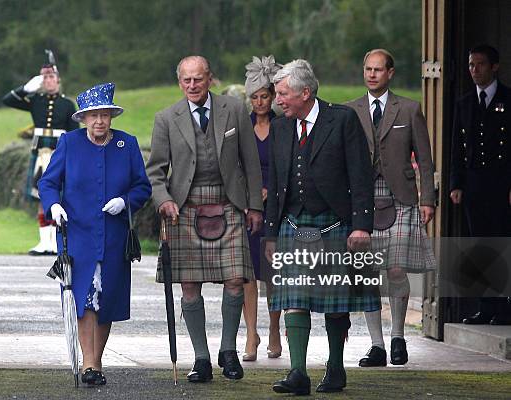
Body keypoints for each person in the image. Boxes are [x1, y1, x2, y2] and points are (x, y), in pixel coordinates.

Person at [265, 59, 380, 395]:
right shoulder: (281, 126)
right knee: (295, 297)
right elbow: (275, 184)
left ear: (305, 91)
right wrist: (271, 234)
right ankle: (297, 373)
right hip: (293, 224)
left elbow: (361, 175)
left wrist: (362, 226)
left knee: (334, 301)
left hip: (336, 223)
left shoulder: (342, 119)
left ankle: (335, 366)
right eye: (277, 94)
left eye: (283, 94)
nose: (278, 100)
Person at [146, 55, 264, 382]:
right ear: (179, 82)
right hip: (184, 207)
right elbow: (155, 172)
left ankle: (228, 350)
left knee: (236, 279)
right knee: (188, 284)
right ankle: (201, 358)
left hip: (229, 202)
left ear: (210, 78)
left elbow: (250, 162)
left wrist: (254, 206)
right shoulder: (166, 118)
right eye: (187, 80)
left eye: (198, 79)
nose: (193, 85)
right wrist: (164, 200)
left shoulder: (235, 110)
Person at [39, 82, 152, 385]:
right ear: (84, 119)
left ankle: (95, 361)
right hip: (78, 235)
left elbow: (143, 186)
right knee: (84, 297)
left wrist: (125, 202)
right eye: (93, 116)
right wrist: (53, 207)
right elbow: (48, 183)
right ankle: (90, 364)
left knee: (107, 300)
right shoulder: (69, 143)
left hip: (114, 237)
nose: (99, 121)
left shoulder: (126, 145)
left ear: (111, 116)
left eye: (104, 115)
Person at [347, 49, 437, 367]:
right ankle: (377, 346)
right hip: (362, 200)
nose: (371, 74)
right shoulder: (350, 110)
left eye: (378, 69)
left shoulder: (410, 109)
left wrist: (428, 199)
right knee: (369, 273)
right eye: (367, 69)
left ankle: (398, 337)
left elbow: (425, 159)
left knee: (396, 269)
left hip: (401, 197)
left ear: (391, 73)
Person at [450, 44, 511, 325]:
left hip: (501, 184)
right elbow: (457, 149)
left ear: (494, 67)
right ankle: (485, 306)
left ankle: (503, 307)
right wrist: (456, 183)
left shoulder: (508, 99)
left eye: (480, 65)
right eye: (471, 65)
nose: (474, 70)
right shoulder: (464, 103)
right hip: (474, 185)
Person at [2, 58, 79, 256]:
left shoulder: (67, 105)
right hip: (39, 153)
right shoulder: (35, 101)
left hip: (58, 154)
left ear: (58, 80)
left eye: (51, 76)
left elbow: (74, 135)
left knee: (58, 196)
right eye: (44, 77)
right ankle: (44, 242)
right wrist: (26, 89)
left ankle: (55, 242)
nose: (48, 81)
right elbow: (8, 100)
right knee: (39, 197)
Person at [241, 55, 283, 362]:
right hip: (248, 208)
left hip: (277, 208)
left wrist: (273, 192)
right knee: (247, 274)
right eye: (254, 97)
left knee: (273, 273)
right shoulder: (243, 127)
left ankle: (273, 330)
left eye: (264, 96)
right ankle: (251, 334)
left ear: (273, 97)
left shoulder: (284, 126)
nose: (259, 102)